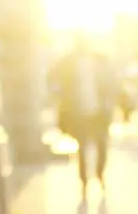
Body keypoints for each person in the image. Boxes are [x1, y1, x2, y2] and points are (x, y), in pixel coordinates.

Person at [52, 33, 121, 195]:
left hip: (99, 112)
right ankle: (83, 181)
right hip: (79, 112)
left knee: (102, 146)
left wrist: (110, 101)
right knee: (82, 148)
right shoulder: (67, 62)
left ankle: (100, 173)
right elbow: (56, 81)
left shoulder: (100, 60)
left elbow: (112, 82)